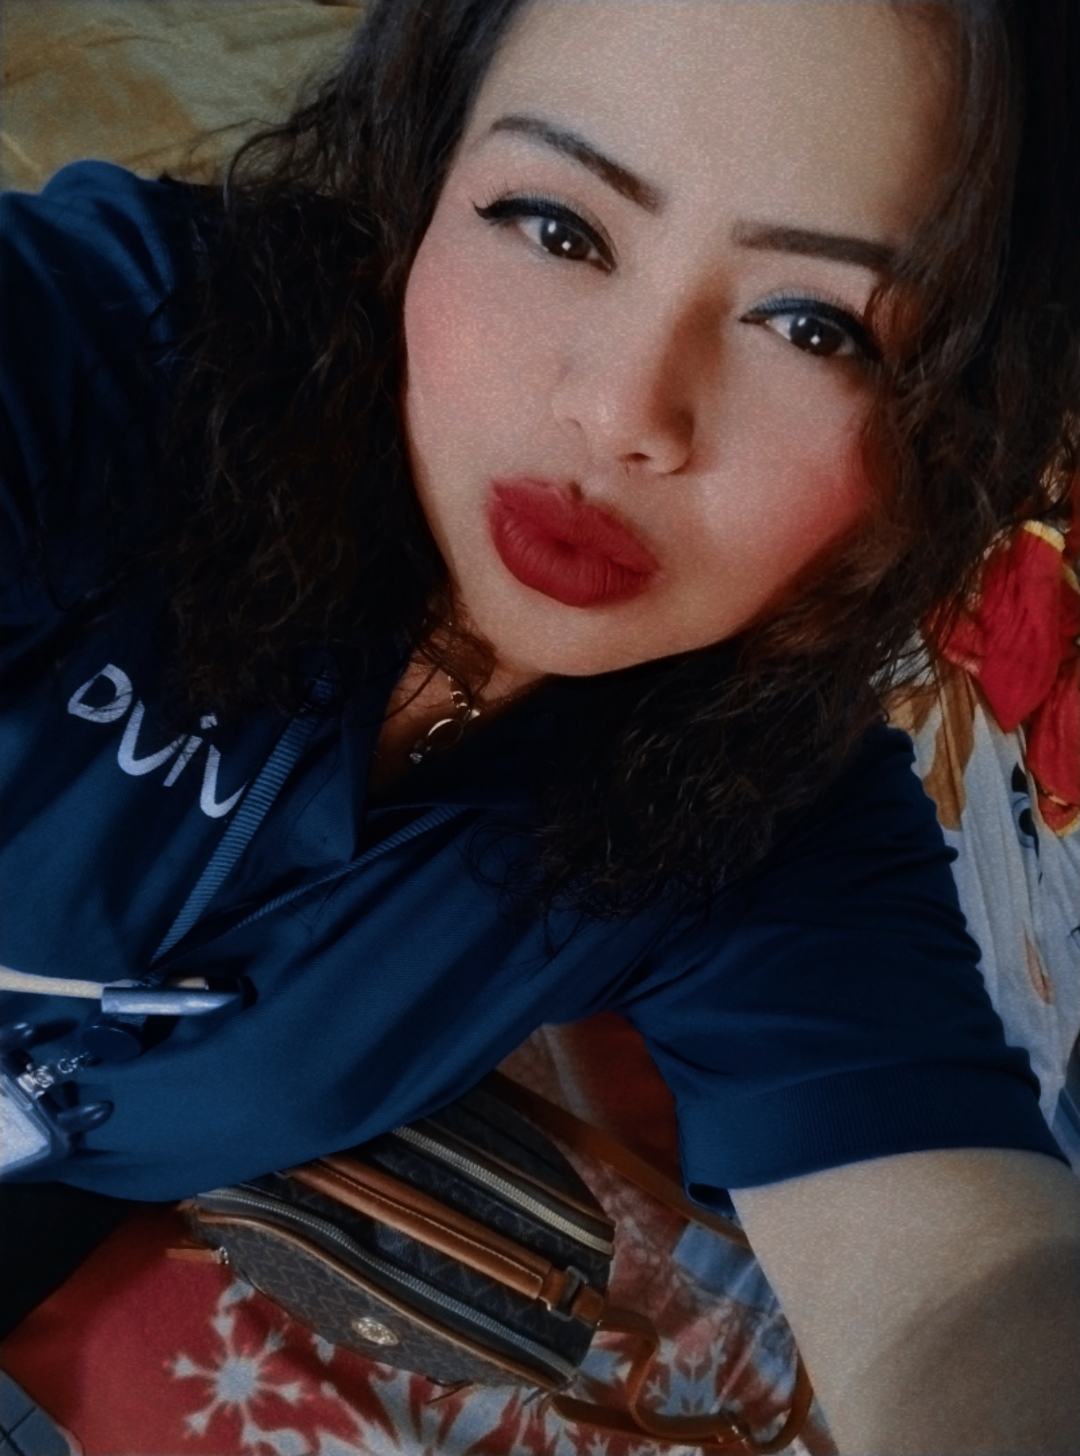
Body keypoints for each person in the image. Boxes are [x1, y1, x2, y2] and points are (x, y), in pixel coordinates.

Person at [1, 0, 1078, 1450]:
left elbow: (963, 1282)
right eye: (557, 226)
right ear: (420, 172)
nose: (624, 408)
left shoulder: (760, 800)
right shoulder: (104, 364)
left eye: (814, 325)